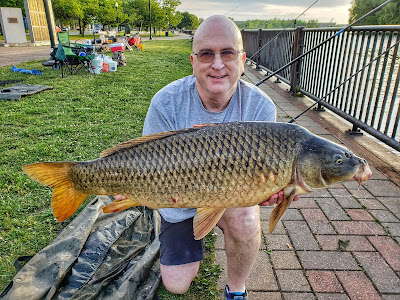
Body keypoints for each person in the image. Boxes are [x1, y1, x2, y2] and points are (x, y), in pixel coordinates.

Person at [117, 15, 299, 299]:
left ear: (241, 60)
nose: (217, 64)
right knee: (176, 284)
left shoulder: (260, 108)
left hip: (229, 199)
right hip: (178, 202)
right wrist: (131, 189)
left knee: (247, 221)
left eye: (227, 53)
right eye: (206, 54)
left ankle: (236, 290)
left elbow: (259, 184)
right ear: (193, 61)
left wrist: (266, 193)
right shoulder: (166, 102)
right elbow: (144, 162)